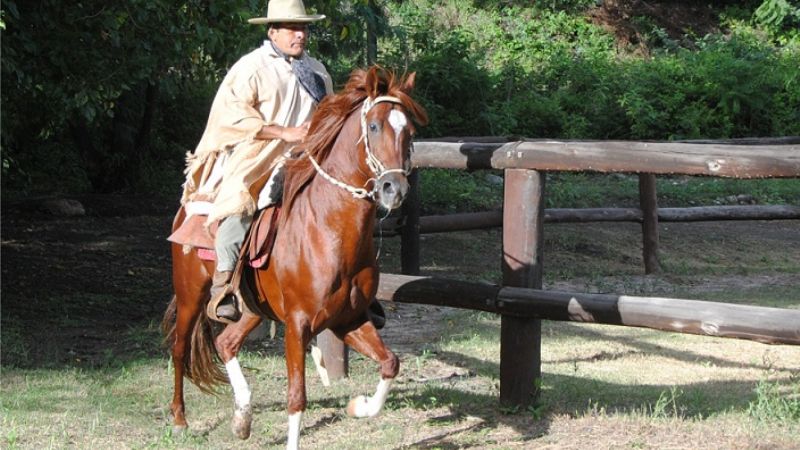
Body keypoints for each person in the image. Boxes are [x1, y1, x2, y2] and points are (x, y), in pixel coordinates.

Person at [180, 0, 332, 321]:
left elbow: (329, 115)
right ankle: (223, 284)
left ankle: (352, 284)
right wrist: (285, 133)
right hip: (259, 158)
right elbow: (231, 116)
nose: (300, 34)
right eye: (292, 27)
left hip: (309, 160)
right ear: (273, 31)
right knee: (240, 205)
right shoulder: (251, 68)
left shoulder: (318, 71)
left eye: (303, 27)